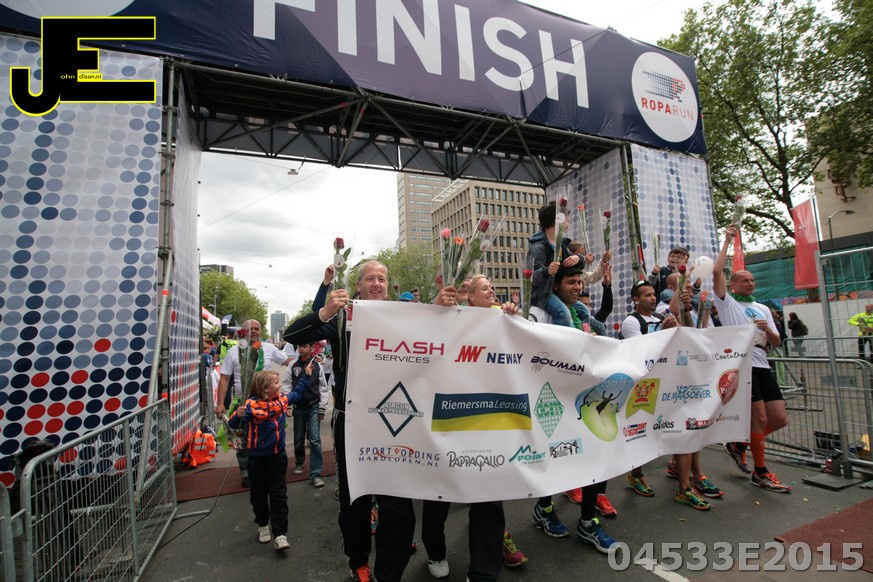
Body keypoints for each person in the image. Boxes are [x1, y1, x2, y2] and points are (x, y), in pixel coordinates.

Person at [284, 261, 416, 582]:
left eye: (381, 278)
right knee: (355, 501)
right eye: (370, 278)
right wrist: (325, 312)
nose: (376, 283)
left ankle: (389, 573)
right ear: (358, 286)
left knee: (398, 505)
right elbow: (292, 334)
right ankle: (359, 562)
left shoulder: (404, 317)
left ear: (388, 285)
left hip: (394, 421)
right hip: (352, 422)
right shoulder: (343, 318)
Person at [422, 275, 526, 580]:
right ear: (468, 297)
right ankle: (436, 551)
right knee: (439, 492)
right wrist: (436, 309)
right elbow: (424, 341)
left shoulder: (502, 319)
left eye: (491, 286)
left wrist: (515, 317)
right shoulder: (449, 317)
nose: (491, 290)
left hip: (487, 421)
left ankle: (482, 572)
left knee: (489, 496)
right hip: (448, 418)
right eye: (484, 288)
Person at [529, 265, 622, 553]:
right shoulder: (540, 313)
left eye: (580, 282)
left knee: (594, 455)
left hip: (582, 398)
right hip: (552, 397)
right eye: (571, 282)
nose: (577, 286)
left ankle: (588, 522)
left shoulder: (582, 314)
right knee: (554, 456)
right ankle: (544, 509)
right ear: (555, 285)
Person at [715, 225, 791, 493]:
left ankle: (739, 444)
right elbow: (716, 272)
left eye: (752, 280)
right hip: (743, 365)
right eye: (745, 280)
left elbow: (777, 342)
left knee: (779, 418)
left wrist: (767, 329)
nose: (750, 283)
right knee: (758, 417)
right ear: (733, 284)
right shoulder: (728, 303)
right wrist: (727, 241)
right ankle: (761, 472)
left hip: (762, 363)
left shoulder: (762, 308)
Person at [227, 369, 307, 551]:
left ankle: (280, 534)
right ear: (265, 389)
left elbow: (297, 393)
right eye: (276, 383)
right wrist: (237, 415)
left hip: (278, 456)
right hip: (257, 459)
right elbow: (233, 424)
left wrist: (307, 375)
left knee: (279, 494)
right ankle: (263, 525)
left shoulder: (281, 400)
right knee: (259, 495)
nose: (280, 386)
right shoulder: (250, 406)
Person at [619, 280, 680, 499]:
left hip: (664, 380)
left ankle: (679, 466)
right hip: (641, 385)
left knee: (671, 425)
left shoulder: (662, 318)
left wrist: (675, 329)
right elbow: (642, 352)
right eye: (647, 295)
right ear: (636, 300)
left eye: (654, 294)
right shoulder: (631, 321)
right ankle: (635, 474)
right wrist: (663, 332)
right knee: (640, 431)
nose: (653, 298)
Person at [215, 320, 292, 487]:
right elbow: (225, 378)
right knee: (243, 440)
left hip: (267, 403)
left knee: (271, 436)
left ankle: (271, 467)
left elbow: (288, 362)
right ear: (244, 331)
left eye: (257, 328)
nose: (254, 331)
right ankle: (246, 473)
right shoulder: (234, 352)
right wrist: (220, 403)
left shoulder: (269, 348)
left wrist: (308, 357)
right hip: (243, 403)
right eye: (250, 329)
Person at [528, 201, 587, 328]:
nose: (568, 223)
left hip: (558, 293)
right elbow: (532, 277)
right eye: (567, 220)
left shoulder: (562, 245)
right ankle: (564, 339)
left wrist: (578, 258)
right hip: (543, 295)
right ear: (556, 220)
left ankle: (586, 333)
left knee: (584, 311)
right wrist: (547, 271)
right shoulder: (538, 248)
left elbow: (574, 268)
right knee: (563, 313)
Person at [282, 342, 329, 488]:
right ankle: (299, 462)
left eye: (305, 346)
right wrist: (288, 404)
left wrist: (322, 407)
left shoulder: (317, 365)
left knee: (314, 439)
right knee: (298, 437)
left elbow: (323, 387)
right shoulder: (293, 365)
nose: (301, 348)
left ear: (311, 348)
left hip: (313, 405)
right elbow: (287, 384)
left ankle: (316, 473)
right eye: (299, 346)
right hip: (298, 407)